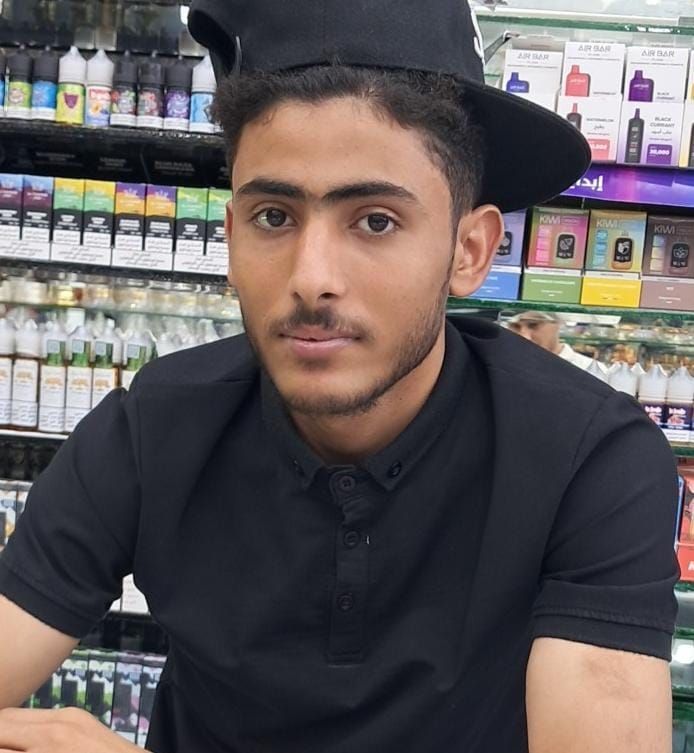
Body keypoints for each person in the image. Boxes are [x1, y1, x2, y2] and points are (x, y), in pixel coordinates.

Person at [0, 1, 679, 752]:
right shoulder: (151, 429)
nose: (311, 278)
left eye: (375, 221)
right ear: (231, 239)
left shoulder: (589, 460)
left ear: (469, 251)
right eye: (274, 217)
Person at [507, 311, 594, 370]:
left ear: (558, 323)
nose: (525, 336)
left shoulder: (590, 370)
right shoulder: (505, 365)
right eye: (516, 326)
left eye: (533, 325)